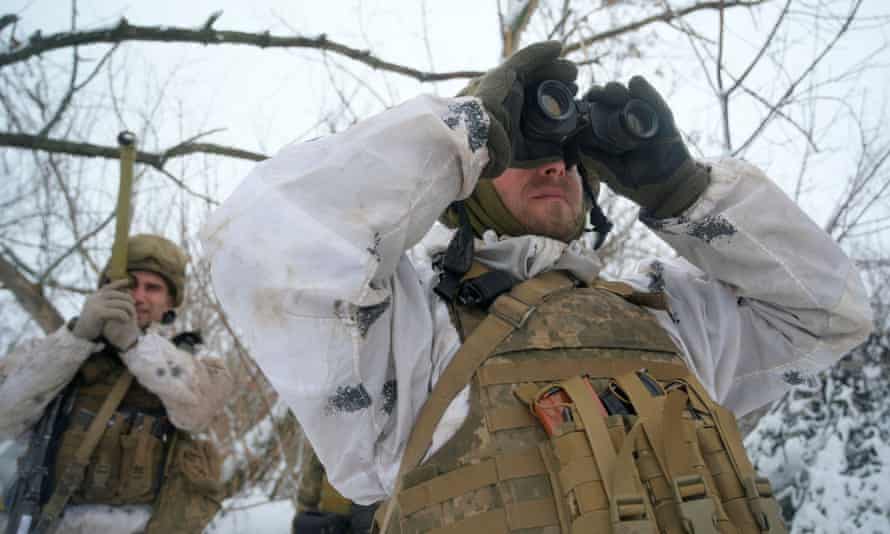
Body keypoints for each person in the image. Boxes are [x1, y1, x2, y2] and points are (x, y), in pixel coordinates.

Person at [202, 42, 873, 534]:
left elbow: (827, 313)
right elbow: (265, 249)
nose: (555, 162)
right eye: (523, 149)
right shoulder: (407, 329)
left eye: (573, 156)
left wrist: (685, 192)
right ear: (465, 179)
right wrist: (467, 131)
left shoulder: (669, 315)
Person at [0, 234, 233, 534]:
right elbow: (4, 416)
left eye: (153, 288)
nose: (138, 296)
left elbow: (197, 410)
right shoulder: (48, 351)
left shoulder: (192, 364)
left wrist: (135, 345)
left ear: (170, 301)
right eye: (129, 284)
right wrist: (77, 337)